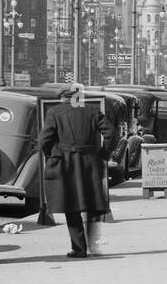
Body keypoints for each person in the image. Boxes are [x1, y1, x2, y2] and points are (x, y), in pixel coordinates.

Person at [40, 88, 114, 259]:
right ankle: (93, 244)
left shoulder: (54, 112)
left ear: (63, 98)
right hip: (90, 164)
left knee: (71, 205)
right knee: (93, 204)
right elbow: (111, 133)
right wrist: (103, 153)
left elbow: (45, 139)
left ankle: (79, 248)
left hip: (67, 164)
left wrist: (50, 155)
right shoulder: (93, 111)